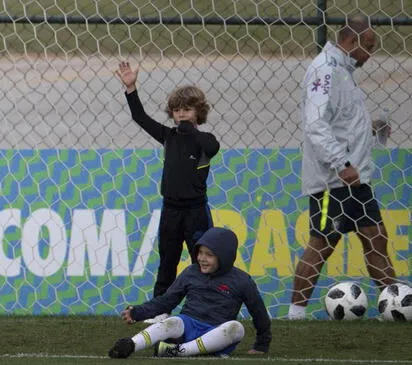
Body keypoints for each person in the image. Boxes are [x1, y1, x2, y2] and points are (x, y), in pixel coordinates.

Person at [288, 16, 396, 320]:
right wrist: (342, 163)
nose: (371, 53)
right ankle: (294, 316)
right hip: (333, 180)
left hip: (357, 180)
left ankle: (395, 304)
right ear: (352, 41)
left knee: (377, 239)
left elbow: (341, 123)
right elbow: (316, 124)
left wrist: (371, 130)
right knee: (321, 245)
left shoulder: (344, 72)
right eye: (369, 46)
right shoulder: (324, 70)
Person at [115, 61, 220, 323]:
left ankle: (205, 310)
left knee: (202, 263)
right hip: (171, 210)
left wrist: (187, 128)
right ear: (171, 113)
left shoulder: (206, 141)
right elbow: (140, 117)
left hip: (196, 211)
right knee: (167, 261)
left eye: (187, 109)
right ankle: (160, 310)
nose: (181, 114)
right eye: (177, 110)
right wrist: (131, 89)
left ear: (198, 112)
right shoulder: (168, 137)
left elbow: (207, 144)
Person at [108, 227, 271, 358]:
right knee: (173, 321)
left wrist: (261, 344)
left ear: (225, 256)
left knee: (236, 328)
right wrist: (138, 313)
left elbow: (259, 312)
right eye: (200, 253)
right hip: (188, 326)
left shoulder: (242, 280)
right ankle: (130, 344)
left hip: (215, 333)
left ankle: (178, 351)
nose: (202, 258)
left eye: (209, 255)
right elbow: (167, 300)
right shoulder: (191, 272)